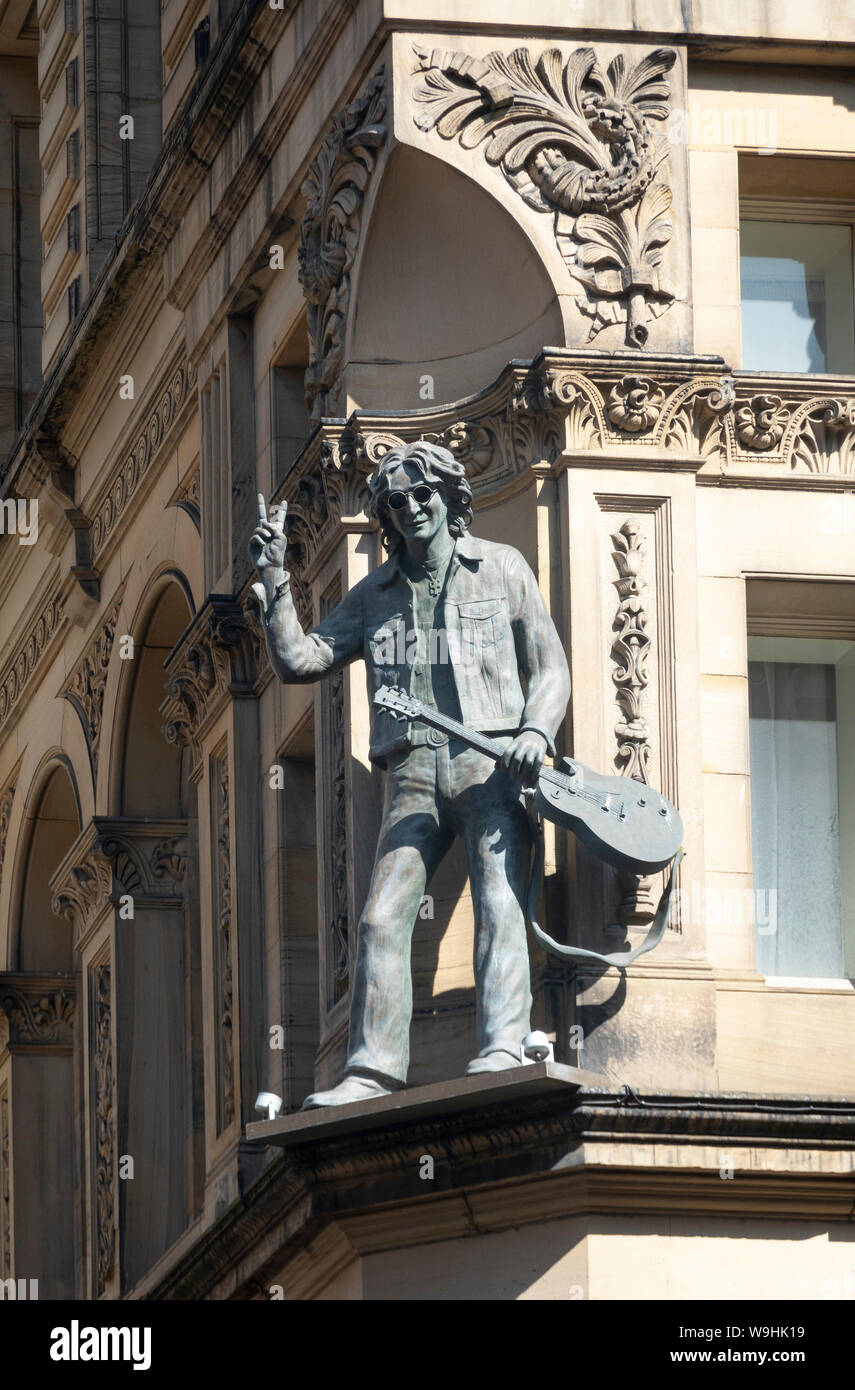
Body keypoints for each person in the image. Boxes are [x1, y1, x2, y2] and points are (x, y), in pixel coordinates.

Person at [249, 441, 570, 1106]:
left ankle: (503, 1042)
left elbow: (549, 669)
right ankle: (371, 1069)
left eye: (421, 494)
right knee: (379, 919)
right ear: (384, 516)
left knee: (500, 899)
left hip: (490, 765)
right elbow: (302, 660)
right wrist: (276, 584)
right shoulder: (374, 596)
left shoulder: (501, 569)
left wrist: (536, 732)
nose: (411, 507)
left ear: (448, 496)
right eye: (395, 501)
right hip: (413, 772)